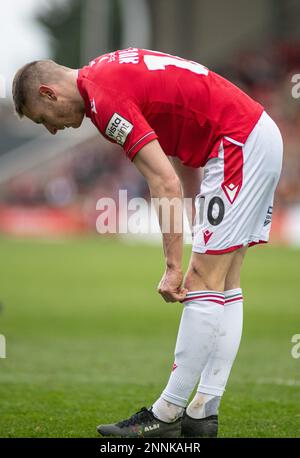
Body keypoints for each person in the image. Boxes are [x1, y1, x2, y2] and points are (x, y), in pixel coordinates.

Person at [12, 48, 283, 438]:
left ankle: (167, 413)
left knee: (200, 279)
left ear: (49, 92)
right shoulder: (105, 71)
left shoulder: (102, 100)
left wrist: (172, 265)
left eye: (44, 120)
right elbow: (181, 125)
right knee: (224, 282)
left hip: (237, 144)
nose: (52, 130)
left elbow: (164, 182)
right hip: (252, 136)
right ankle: (203, 411)